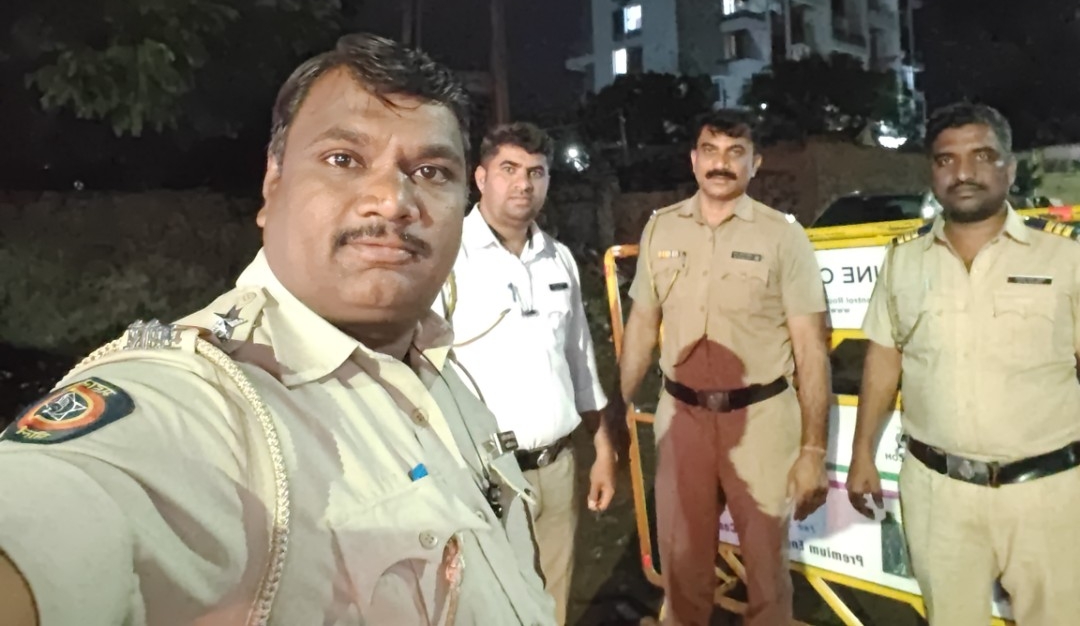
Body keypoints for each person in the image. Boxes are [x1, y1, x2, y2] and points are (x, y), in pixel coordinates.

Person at [0, 33, 556, 626]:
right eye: (344, 160)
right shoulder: (207, 399)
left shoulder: (440, 367)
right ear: (273, 184)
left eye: (430, 171)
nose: (394, 200)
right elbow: (62, 504)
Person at [847, 102, 1080, 625]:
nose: (964, 172)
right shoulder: (903, 261)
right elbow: (885, 358)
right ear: (932, 174)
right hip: (939, 495)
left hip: (1048, 494)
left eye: (981, 156)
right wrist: (863, 452)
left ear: (1010, 168)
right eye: (946, 160)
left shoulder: (1065, 258)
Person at [613, 110, 831, 626]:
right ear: (693, 160)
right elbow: (642, 325)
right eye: (710, 151)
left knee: (766, 574)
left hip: (761, 422)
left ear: (756, 164)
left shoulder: (783, 237)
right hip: (682, 418)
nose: (721, 164)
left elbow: (811, 349)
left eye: (736, 153)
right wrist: (614, 410)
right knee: (683, 568)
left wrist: (813, 450)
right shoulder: (662, 228)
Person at [437, 122, 616, 625]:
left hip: (557, 467)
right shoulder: (446, 257)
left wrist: (603, 450)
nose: (523, 184)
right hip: (486, 474)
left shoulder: (558, 259)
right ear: (480, 177)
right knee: (486, 603)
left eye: (536, 172)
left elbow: (580, 361)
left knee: (553, 601)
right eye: (509, 169)